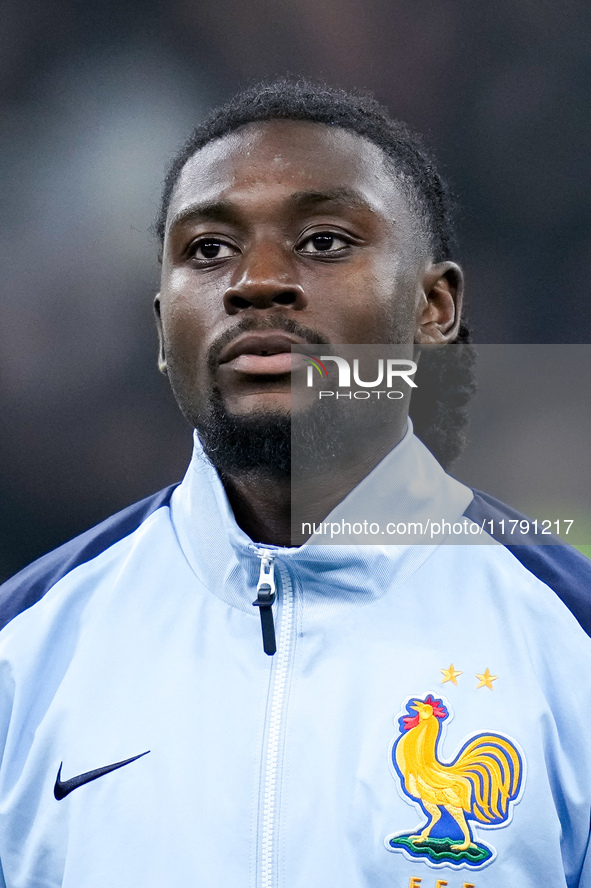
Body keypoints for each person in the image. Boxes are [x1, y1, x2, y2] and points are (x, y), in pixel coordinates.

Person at [0, 78, 590, 888]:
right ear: (162, 332)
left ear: (434, 310)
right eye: (208, 249)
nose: (256, 280)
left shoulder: (570, 643)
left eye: (323, 241)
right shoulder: (24, 652)